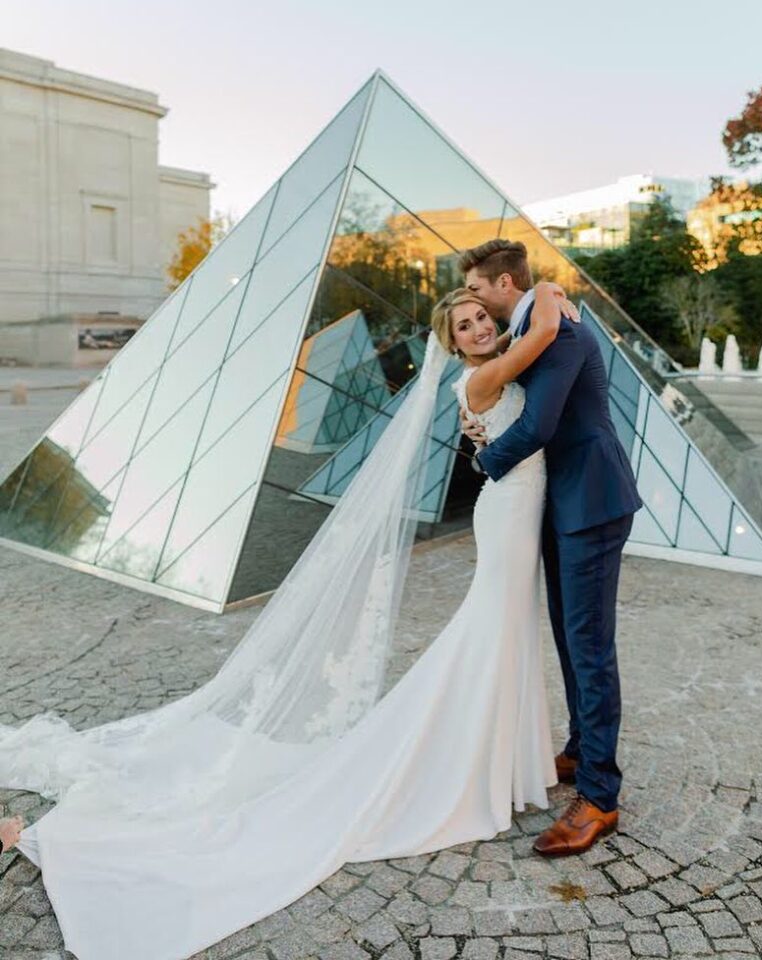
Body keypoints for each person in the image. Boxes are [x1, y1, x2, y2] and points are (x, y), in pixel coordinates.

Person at [0, 283, 578, 960]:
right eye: (466, 324)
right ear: (450, 342)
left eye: (483, 318)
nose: (479, 328)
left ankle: (500, 762)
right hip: (507, 517)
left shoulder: (488, 368)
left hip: (516, 509)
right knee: (490, 634)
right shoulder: (480, 376)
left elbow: (526, 355)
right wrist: (549, 293)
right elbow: (537, 339)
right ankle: (470, 766)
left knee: (504, 635)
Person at [460, 238, 642, 856]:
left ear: (505, 285)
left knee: (590, 648)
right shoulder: (537, 321)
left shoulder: (556, 333)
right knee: (571, 638)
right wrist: (549, 292)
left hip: (590, 502)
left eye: (480, 291)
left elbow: (538, 426)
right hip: (563, 505)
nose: (476, 304)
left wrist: (485, 460)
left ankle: (599, 797)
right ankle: (580, 751)